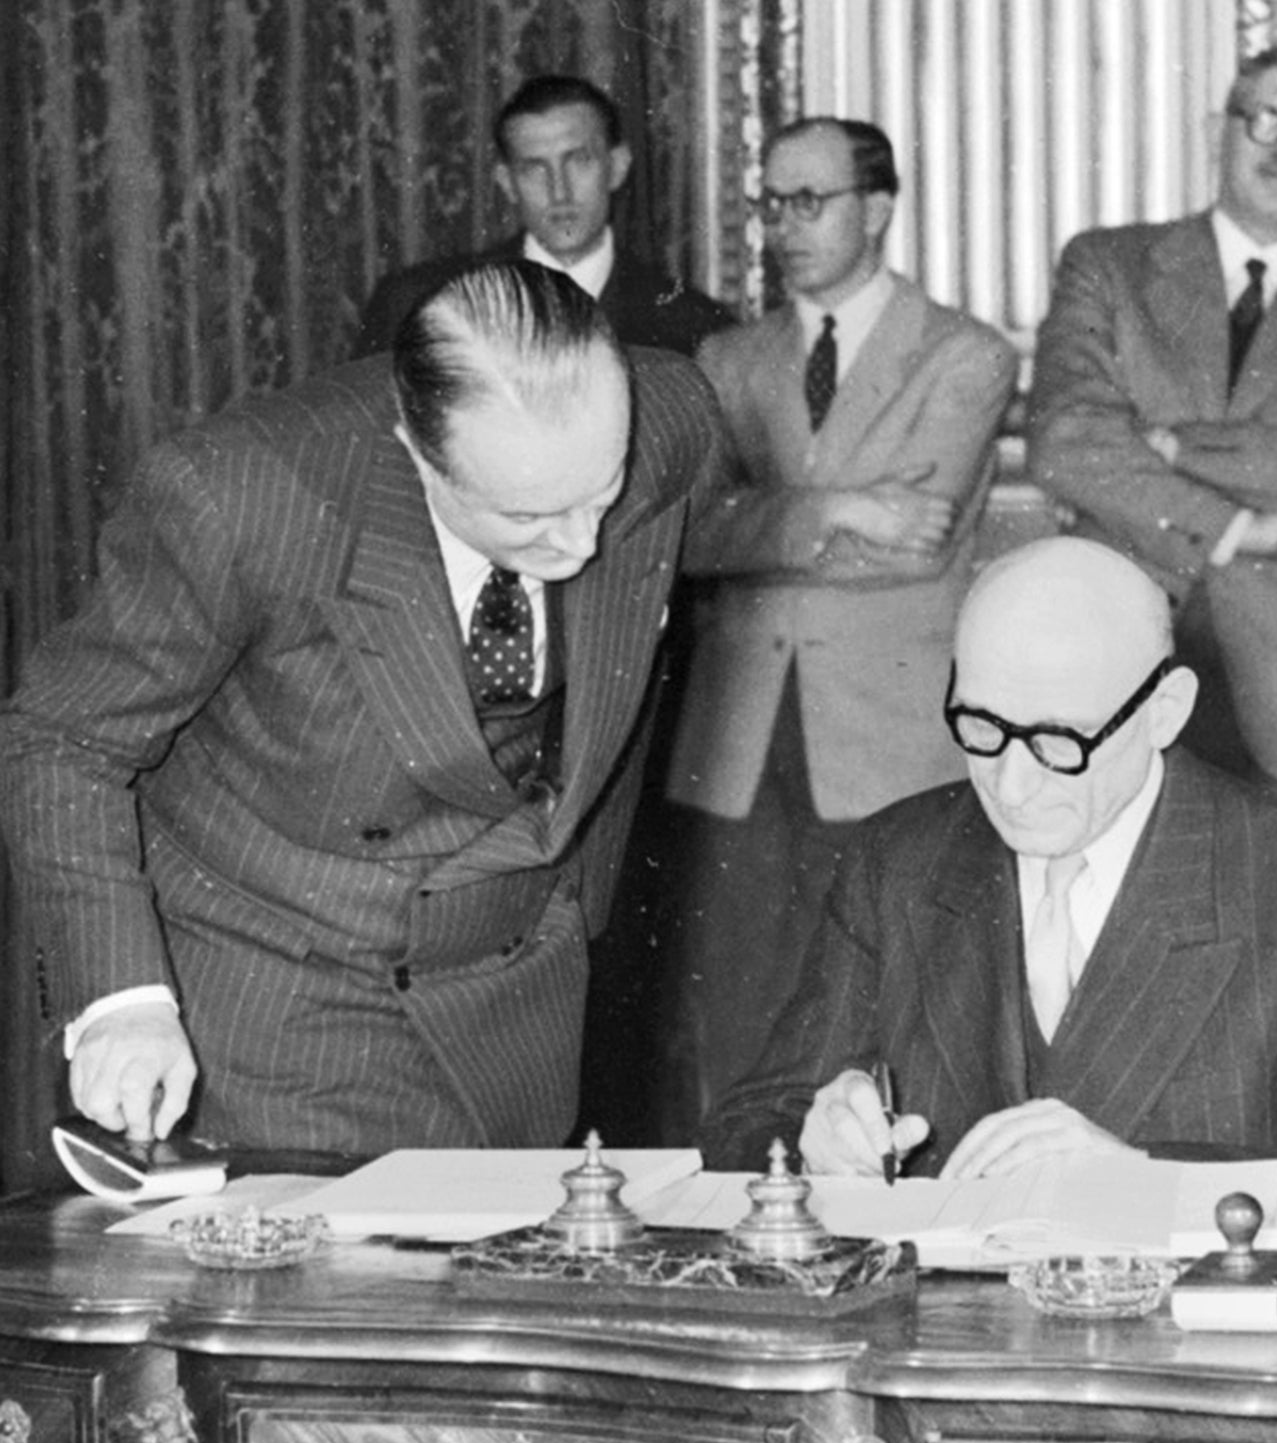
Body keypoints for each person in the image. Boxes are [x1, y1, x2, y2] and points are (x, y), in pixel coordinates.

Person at [0, 261, 727, 1158]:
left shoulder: (672, 422)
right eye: (532, 517)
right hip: (288, 979)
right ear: (417, 453)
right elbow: (62, 740)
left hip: (514, 977)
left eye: (603, 496)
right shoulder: (243, 500)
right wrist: (123, 1001)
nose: (581, 545)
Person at [701, 537, 1277, 1216]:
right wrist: (813, 1141)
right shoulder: (898, 863)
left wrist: (1145, 1184)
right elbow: (751, 1121)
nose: (1009, 784)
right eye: (980, 726)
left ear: (1164, 712)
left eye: (1058, 741)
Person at [655, 118, 1017, 1141]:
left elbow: (916, 546)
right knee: (733, 1010)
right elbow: (682, 532)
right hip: (737, 736)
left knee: (894, 1008)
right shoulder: (727, 358)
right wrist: (842, 510)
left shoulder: (963, 352)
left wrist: (763, 526)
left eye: (807, 201)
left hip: (888, 737)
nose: (783, 226)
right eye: (770, 202)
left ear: (878, 208)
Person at [1026, 36, 1277, 840]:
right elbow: (1065, 440)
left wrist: (1172, 444)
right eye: (1268, 120)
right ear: (1221, 128)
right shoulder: (1110, 266)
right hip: (1112, 668)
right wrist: (1237, 526)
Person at [352, 74, 732, 359]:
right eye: (535, 169)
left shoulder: (694, 326)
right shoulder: (416, 306)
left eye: (579, 161)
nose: (559, 191)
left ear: (617, 166)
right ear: (506, 182)